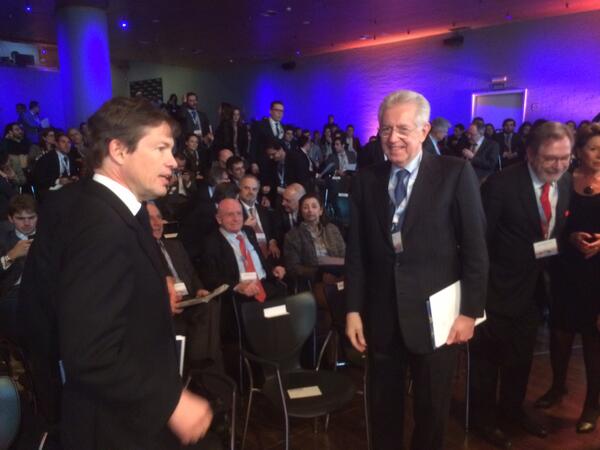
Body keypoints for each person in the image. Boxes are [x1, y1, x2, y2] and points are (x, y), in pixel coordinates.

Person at [19, 97, 214, 449]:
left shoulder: (88, 201)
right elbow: (90, 352)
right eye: (161, 148)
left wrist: (155, 280)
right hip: (117, 426)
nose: (173, 161)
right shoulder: (100, 227)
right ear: (119, 150)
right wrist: (170, 401)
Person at [345, 89, 488, 450]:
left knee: (431, 411)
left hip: (437, 319)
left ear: (424, 131)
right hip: (382, 316)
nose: (393, 138)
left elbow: (475, 249)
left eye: (403, 129)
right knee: (383, 409)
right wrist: (352, 310)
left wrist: (469, 312)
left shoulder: (455, 173)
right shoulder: (365, 179)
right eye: (386, 129)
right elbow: (357, 253)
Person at [470, 121, 574, 448]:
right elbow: (479, 243)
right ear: (530, 154)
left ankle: (512, 411)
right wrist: (476, 297)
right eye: (550, 158)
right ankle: (483, 420)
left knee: (521, 359)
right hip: (496, 290)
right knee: (488, 362)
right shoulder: (500, 185)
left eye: (565, 157)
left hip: (534, 291)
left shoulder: (565, 182)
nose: (558, 165)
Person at [535, 123, 600, 433]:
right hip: (567, 268)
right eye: (593, 149)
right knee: (560, 334)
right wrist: (570, 237)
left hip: (597, 274)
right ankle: (557, 386)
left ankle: (592, 404)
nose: (599, 155)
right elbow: (552, 226)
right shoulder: (564, 181)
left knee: (593, 340)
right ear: (578, 152)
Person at [0, 194, 37, 342]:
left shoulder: (49, 235)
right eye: (20, 219)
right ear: (11, 219)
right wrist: (11, 256)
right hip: (14, 292)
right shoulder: (2, 237)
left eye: (31, 217)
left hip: (46, 289)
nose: (27, 223)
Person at [283, 193, 345, 282]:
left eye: (314, 206)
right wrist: (319, 276)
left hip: (338, 275)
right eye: (305, 207)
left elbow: (344, 254)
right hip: (312, 280)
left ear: (321, 211)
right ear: (301, 212)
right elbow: (293, 268)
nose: (310, 210)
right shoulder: (292, 235)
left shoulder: (332, 229)